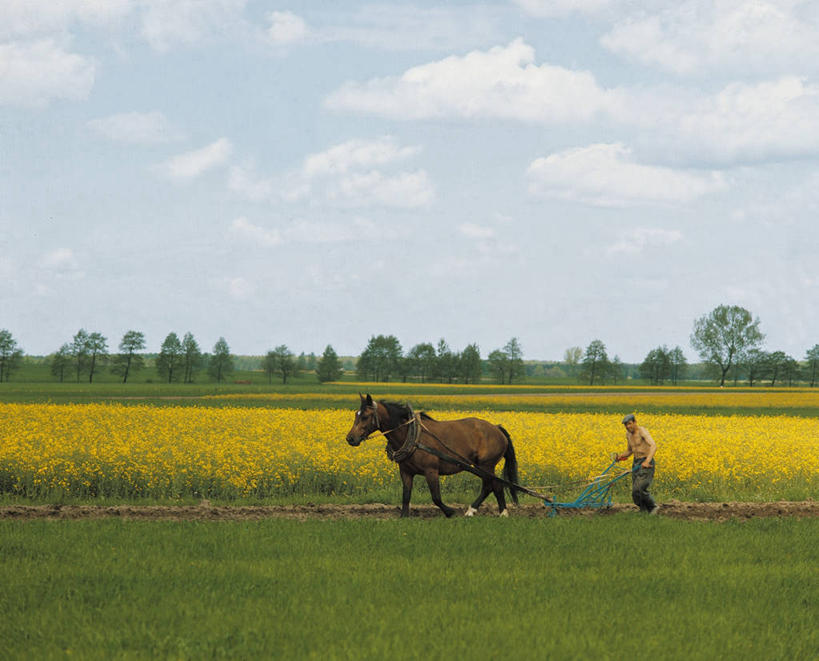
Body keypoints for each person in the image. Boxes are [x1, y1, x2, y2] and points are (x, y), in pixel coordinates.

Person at [616, 413, 659, 514]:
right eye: (625, 425)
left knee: (639, 488)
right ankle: (643, 509)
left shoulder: (642, 432)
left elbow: (653, 446)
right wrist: (620, 456)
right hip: (636, 462)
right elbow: (630, 450)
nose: (627, 426)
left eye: (629, 424)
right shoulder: (628, 435)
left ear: (635, 422)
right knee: (635, 493)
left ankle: (653, 507)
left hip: (646, 462)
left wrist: (647, 461)